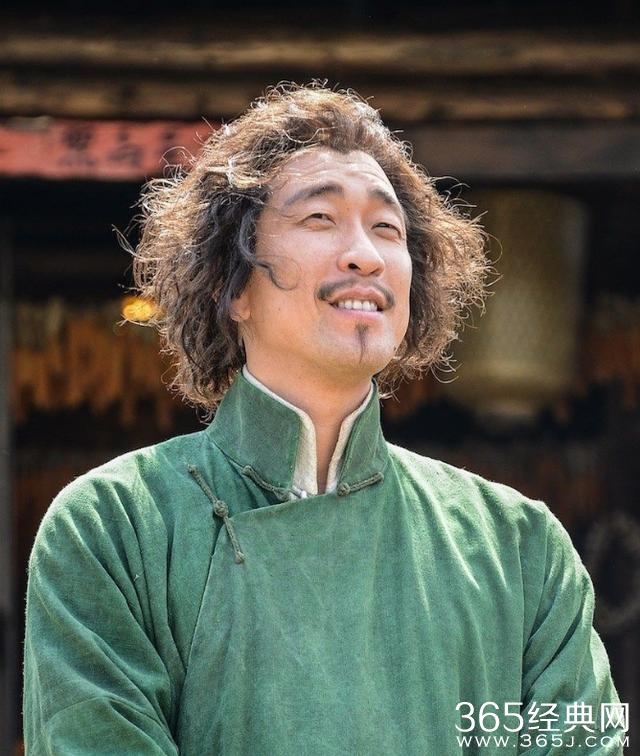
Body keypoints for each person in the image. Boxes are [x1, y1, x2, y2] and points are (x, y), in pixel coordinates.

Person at [23, 84, 624, 755]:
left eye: (387, 229)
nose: (365, 254)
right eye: (320, 218)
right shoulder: (114, 527)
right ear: (230, 284)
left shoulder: (521, 547)